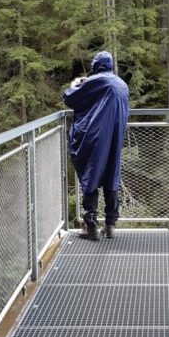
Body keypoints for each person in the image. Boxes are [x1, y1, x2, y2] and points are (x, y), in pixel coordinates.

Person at [63, 50, 130, 240]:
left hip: (96, 135)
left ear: (96, 65)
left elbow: (70, 97)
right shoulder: (121, 83)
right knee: (111, 175)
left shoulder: (98, 81)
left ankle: (89, 223)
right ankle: (110, 225)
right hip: (115, 136)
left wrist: (76, 84)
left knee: (91, 174)